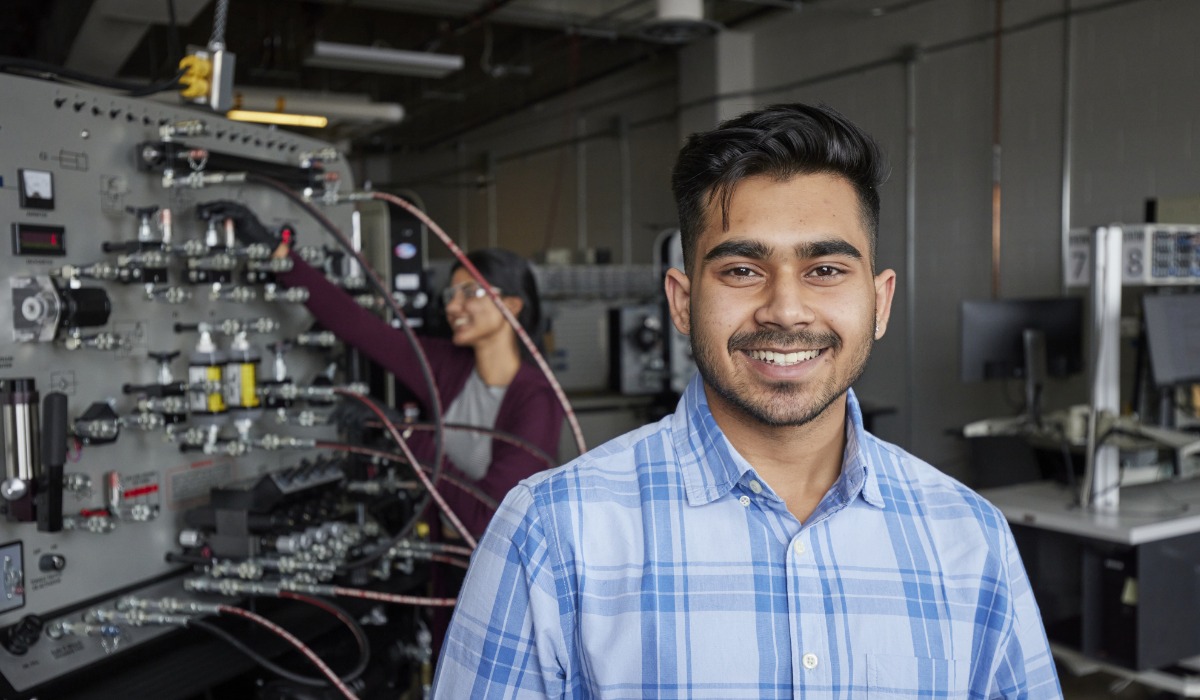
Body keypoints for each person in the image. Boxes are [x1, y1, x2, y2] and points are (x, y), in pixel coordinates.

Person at [432, 103, 1062, 698]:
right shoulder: (551, 534)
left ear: (881, 301)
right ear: (682, 302)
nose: (785, 309)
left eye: (825, 270)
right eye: (740, 271)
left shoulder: (969, 538)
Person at [278, 245, 565, 539]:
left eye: (469, 292)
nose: (452, 307)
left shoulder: (537, 400)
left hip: (500, 576)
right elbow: (359, 327)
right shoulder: (448, 366)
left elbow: (491, 520)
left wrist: (408, 435)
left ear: (513, 304)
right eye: (450, 296)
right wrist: (283, 259)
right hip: (445, 560)